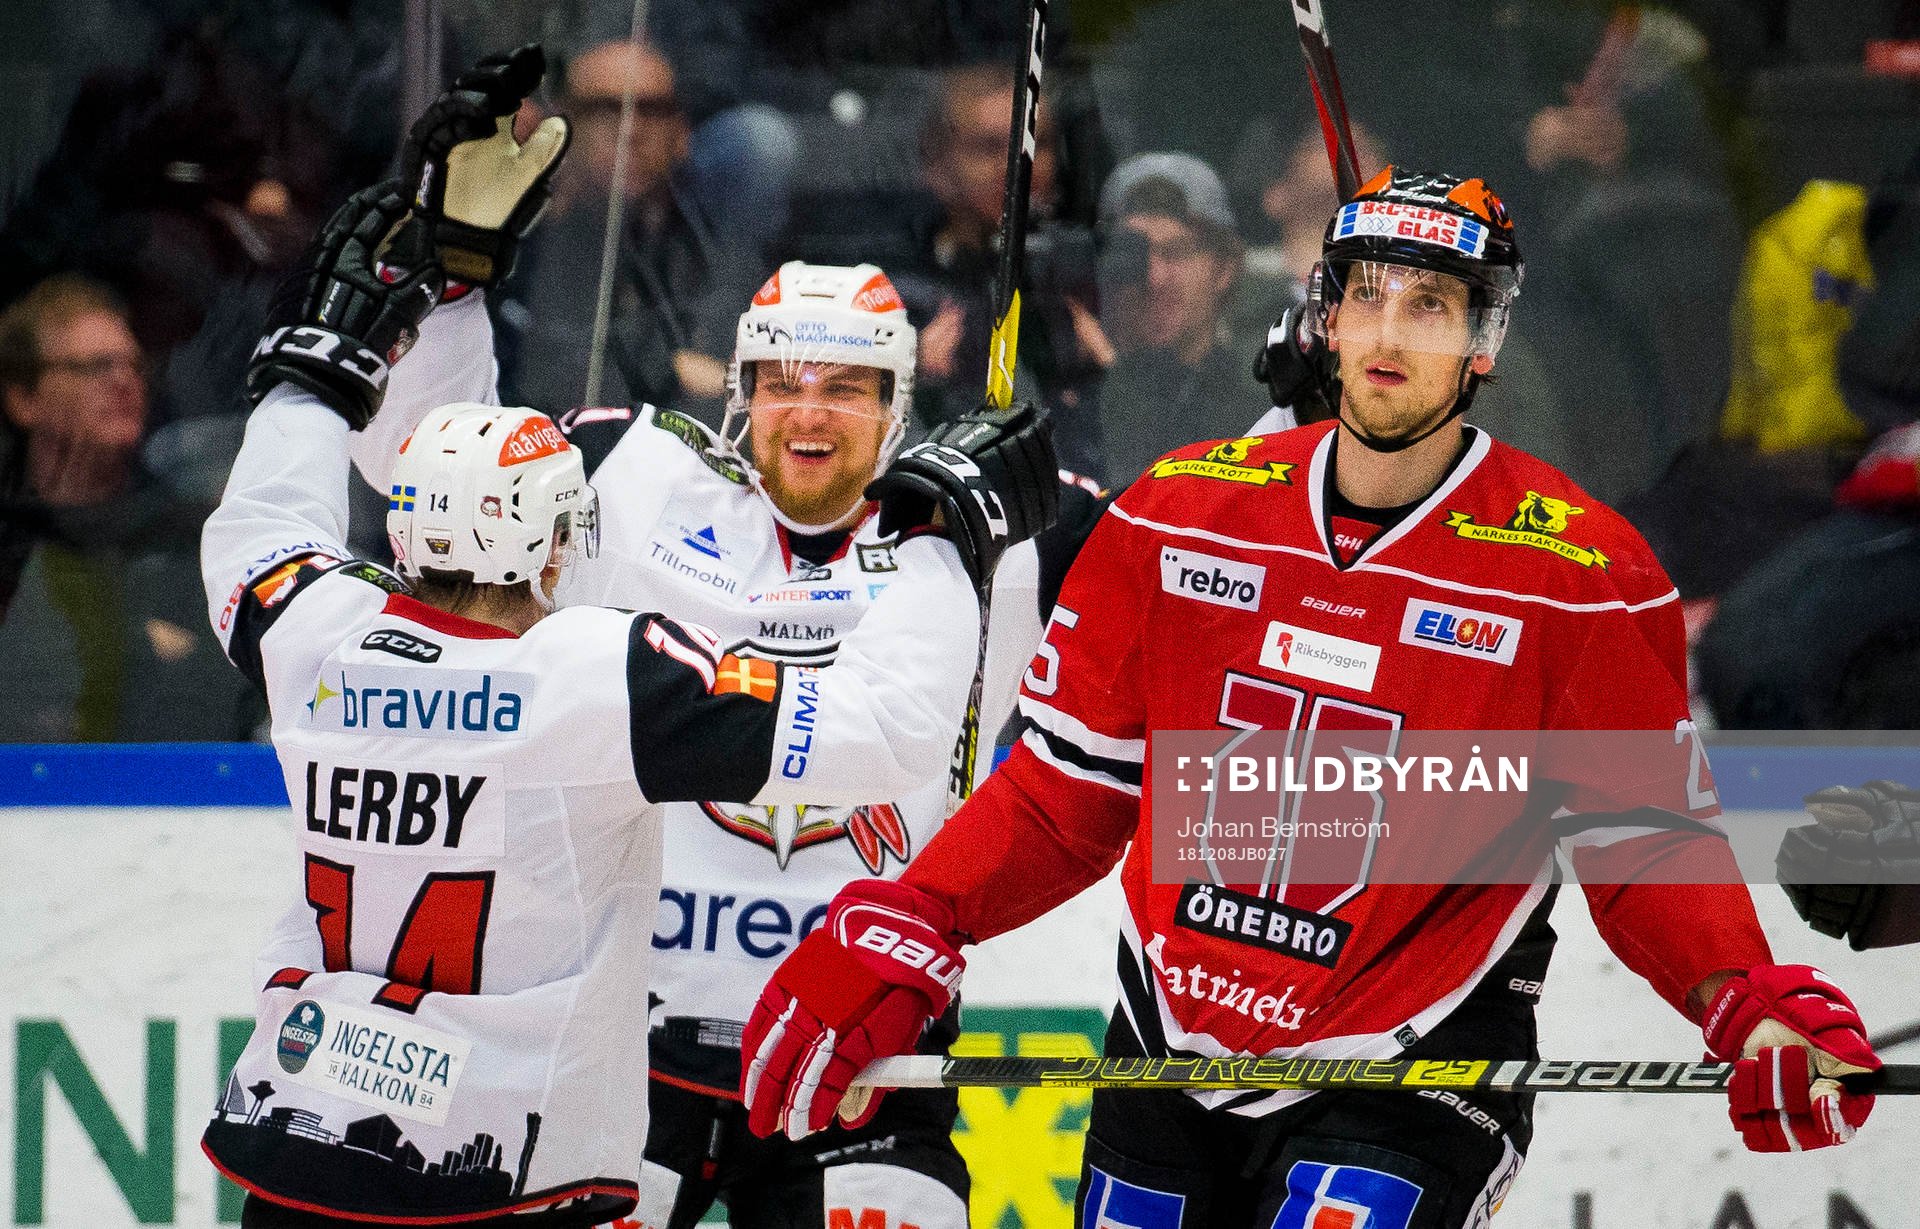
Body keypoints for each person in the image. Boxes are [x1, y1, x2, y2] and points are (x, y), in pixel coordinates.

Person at [740, 166, 1886, 1226]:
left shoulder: (1584, 575)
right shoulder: (1172, 513)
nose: (1390, 333)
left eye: (1431, 305)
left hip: (1415, 1061)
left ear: (1484, 339)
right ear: (1324, 319)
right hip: (1173, 1044)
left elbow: (1643, 841)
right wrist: (920, 913)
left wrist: (1741, 992)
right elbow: (1065, 790)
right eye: (1368, 296)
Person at [199, 48, 1049, 1229]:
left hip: (851, 1064)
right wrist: (949, 541)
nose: (809, 409)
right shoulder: (628, 540)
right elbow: (442, 459)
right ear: (738, 389)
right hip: (627, 1069)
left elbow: (423, 485)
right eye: (783, 380)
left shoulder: (313, 624)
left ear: (898, 403)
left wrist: (389, 319)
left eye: (847, 386)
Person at [1086, 151, 1254, 482]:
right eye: (1131, 253)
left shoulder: (1261, 416)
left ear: (1223, 269)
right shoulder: (1075, 402)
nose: (1154, 276)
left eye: (1175, 252)